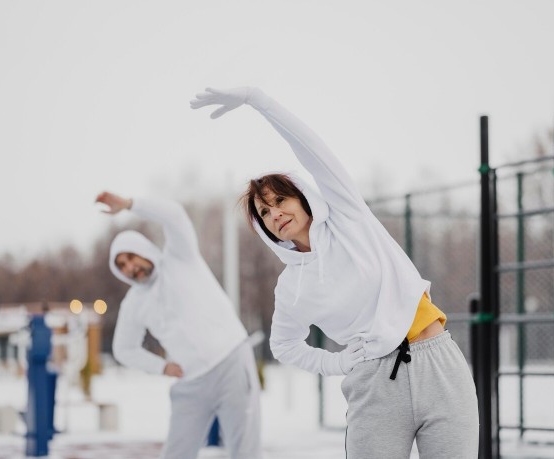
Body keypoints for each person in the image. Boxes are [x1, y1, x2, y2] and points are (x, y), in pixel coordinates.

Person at [191, 87, 479, 458]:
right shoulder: (292, 286)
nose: (274, 213)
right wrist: (337, 362)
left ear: (303, 198)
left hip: (439, 366)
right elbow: (283, 345)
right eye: (264, 212)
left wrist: (258, 100)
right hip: (376, 384)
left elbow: (312, 150)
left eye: (280, 200)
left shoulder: (349, 218)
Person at [96, 191, 262, 459]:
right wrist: (161, 366)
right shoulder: (133, 304)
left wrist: (129, 205)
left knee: (246, 452)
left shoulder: (179, 257)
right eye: (121, 266)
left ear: (142, 250)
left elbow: (174, 215)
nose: (129, 267)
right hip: (190, 383)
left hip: (231, 363)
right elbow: (123, 349)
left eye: (130, 257)